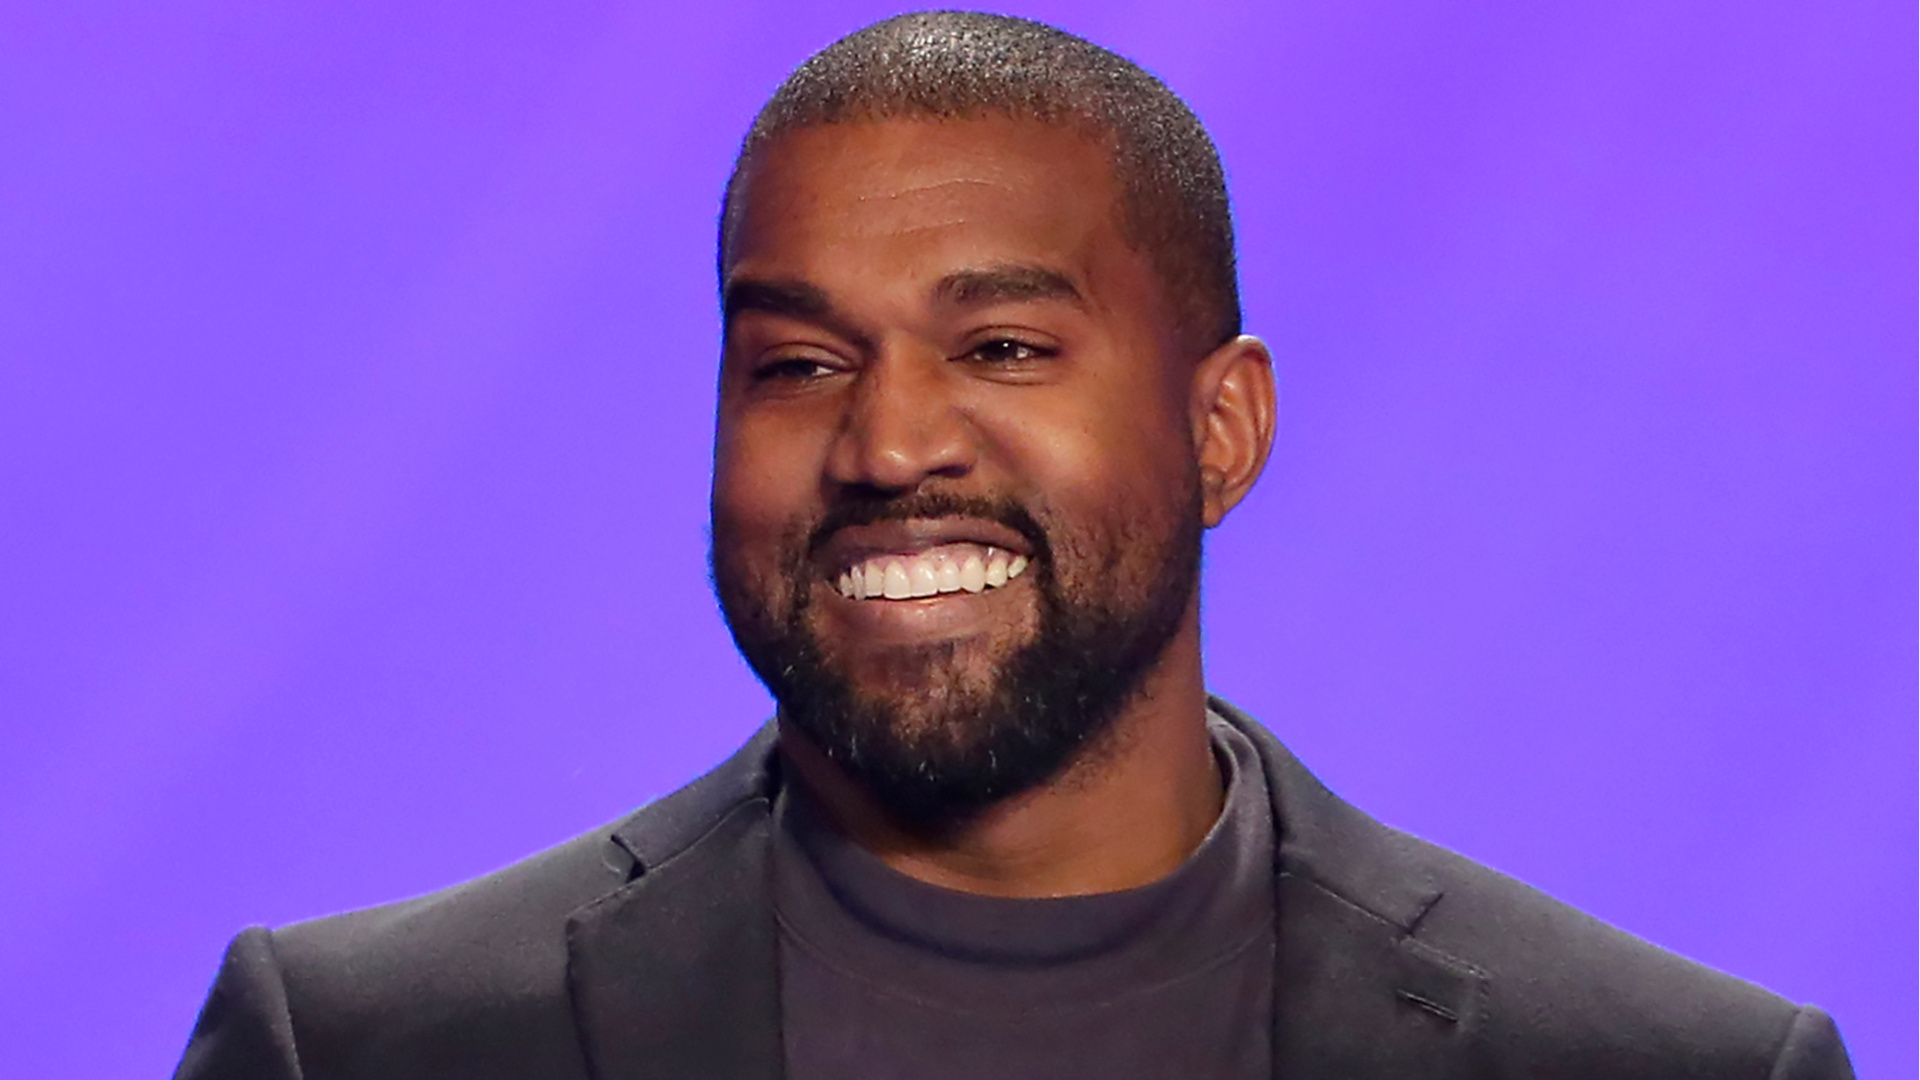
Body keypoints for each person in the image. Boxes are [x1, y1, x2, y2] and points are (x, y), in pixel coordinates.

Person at [174, 13, 1853, 1079]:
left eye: (1003, 350)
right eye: (797, 366)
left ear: (1224, 431)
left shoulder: (1668, 1063)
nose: (889, 443)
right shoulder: (365, 1043)